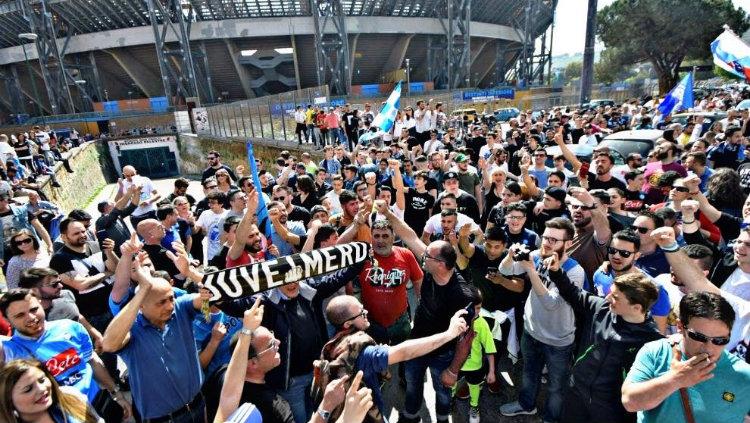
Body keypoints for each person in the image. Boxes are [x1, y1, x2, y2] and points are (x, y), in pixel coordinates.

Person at [374, 200, 474, 423]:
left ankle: (442, 417)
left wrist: (454, 371)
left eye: (426, 256)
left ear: (440, 263)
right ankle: (410, 415)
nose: (422, 256)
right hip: (417, 346)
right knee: (412, 385)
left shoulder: (462, 294)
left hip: (444, 355)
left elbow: (467, 337)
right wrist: (388, 213)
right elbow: (410, 236)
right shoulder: (433, 267)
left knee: (443, 391)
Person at [101, 247, 210, 422]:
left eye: (171, 298)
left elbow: (209, 301)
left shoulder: (180, 308)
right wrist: (144, 287)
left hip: (198, 405)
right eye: (161, 302)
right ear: (141, 305)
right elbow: (109, 344)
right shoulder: (131, 329)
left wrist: (190, 272)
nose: (169, 306)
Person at [321, 295, 469, 419]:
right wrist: (449, 334)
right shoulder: (363, 353)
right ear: (348, 324)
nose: (366, 311)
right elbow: (405, 352)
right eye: (361, 313)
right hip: (366, 417)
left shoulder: (332, 344)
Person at [498, 218, 586, 422]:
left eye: (554, 240)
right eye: (545, 237)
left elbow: (551, 303)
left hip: (558, 340)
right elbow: (505, 271)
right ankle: (526, 405)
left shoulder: (574, 271)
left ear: (568, 243)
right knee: (529, 374)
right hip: (531, 331)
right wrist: (511, 256)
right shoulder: (537, 255)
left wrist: (530, 269)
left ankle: (551, 418)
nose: (546, 243)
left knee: (556, 386)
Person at [621, 291, 750, 423]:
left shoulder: (745, 375)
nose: (708, 347)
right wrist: (676, 379)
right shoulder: (656, 352)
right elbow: (629, 402)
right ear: (680, 327)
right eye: (699, 337)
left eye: (720, 340)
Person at [0, 289, 131, 417]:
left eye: (34, 309)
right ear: (6, 320)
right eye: (20, 315)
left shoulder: (71, 327)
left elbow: (92, 361)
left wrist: (115, 392)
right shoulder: (8, 351)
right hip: (60, 416)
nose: (31, 317)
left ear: (40, 303)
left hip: (98, 402)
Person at [0, 358, 103, 423]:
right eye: (28, 389)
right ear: (9, 400)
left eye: (42, 380)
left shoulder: (70, 395)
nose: (41, 389)